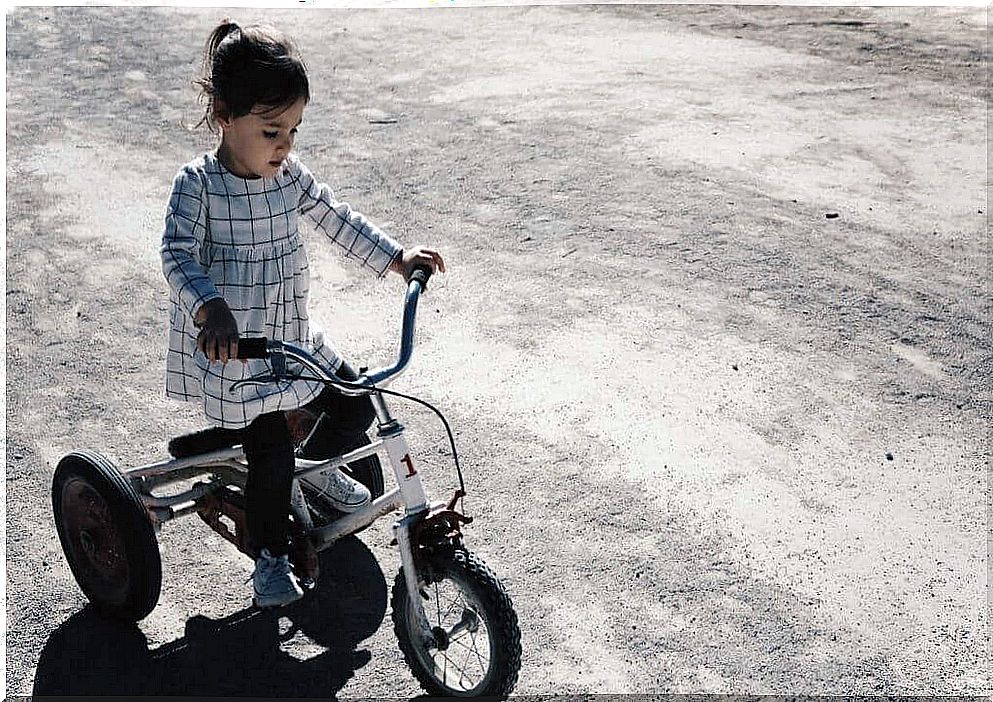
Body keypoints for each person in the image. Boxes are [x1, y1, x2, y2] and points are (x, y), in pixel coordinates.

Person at [160, 20, 445, 608]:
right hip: (239, 356)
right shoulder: (199, 187)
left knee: (355, 403)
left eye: (293, 129)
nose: (285, 144)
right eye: (271, 130)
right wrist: (209, 305)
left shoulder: (287, 179)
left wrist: (396, 258)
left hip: (293, 339)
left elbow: (335, 217)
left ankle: (304, 471)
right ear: (223, 115)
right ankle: (269, 557)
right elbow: (177, 254)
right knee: (269, 456)